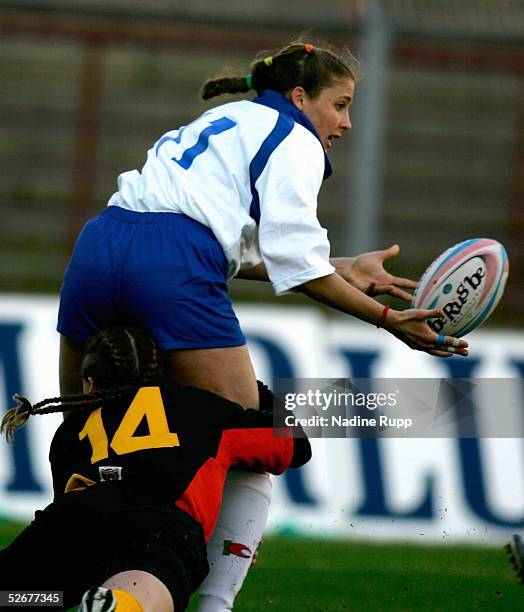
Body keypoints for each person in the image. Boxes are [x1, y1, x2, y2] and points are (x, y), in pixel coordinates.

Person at [55, 38, 469, 610]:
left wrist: (341, 267)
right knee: (255, 434)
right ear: (300, 97)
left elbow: (206, 240)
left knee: (80, 432)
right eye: (341, 104)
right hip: (172, 267)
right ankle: (211, 603)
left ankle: (57, 590)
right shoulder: (296, 140)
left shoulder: (225, 117)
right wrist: (388, 320)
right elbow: (285, 267)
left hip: (98, 247)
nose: (346, 123)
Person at [0, 326, 311, 611]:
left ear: (91, 383)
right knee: (139, 589)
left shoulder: (71, 431)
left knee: (22, 597)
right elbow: (295, 445)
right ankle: (115, 605)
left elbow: (71, 540)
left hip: (73, 520)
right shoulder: (203, 408)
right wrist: (253, 391)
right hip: (158, 525)